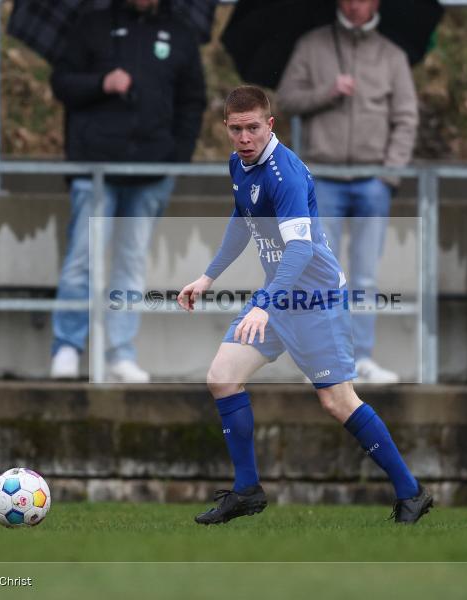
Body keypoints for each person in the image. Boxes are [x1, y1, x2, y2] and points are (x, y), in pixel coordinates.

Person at [178, 86, 432, 526]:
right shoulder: (239, 165)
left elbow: (300, 253)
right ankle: (247, 491)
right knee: (222, 377)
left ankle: (412, 492)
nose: (244, 137)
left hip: (314, 300)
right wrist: (208, 276)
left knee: (338, 401)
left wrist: (263, 304)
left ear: (270, 125)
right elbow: (243, 220)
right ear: (226, 128)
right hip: (279, 297)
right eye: (236, 129)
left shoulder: (286, 174)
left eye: (253, 127)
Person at [48, 0, 206, 382]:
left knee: (130, 265)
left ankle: (120, 352)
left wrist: (174, 160)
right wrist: (102, 83)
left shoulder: (179, 35)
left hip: (151, 171)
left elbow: (192, 102)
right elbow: (61, 83)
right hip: (94, 166)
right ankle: (67, 346)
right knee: (81, 261)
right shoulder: (91, 25)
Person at [276, 0, 418, 384]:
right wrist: (327, 91)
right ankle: (322, 361)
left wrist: (389, 173)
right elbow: (286, 98)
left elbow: (406, 118)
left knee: (366, 277)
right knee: (320, 274)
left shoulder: (392, 55)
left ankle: (362, 356)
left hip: (372, 181)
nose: (356, 5)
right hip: (322, 177)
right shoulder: (312, 45)